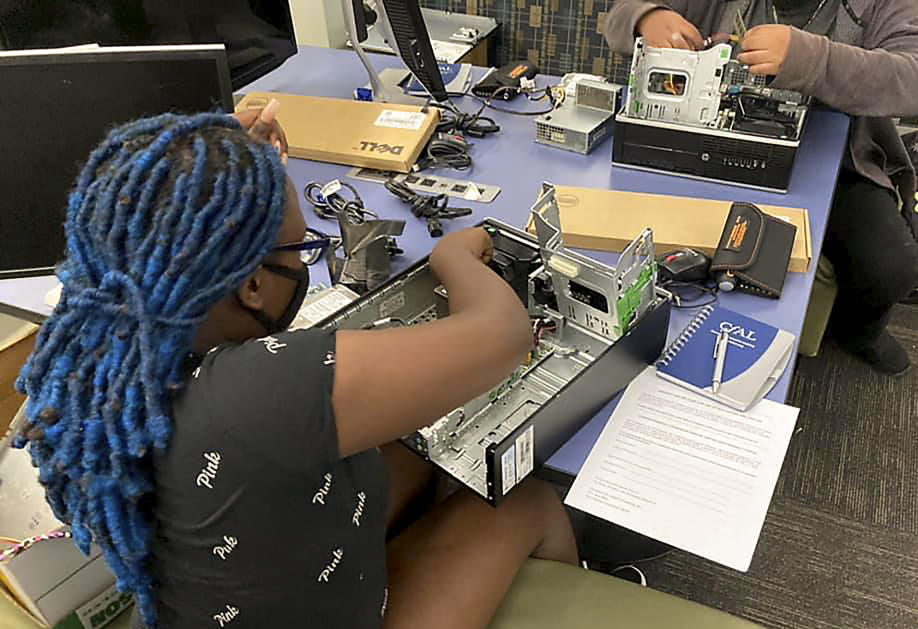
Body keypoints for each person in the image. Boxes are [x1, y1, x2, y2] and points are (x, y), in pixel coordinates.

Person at [14, 108, 578, 629]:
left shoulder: (97, 339)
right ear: (254, 287)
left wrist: (222, 154)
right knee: (530, 501)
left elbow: (164, 205)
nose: (303, 256)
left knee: (414, 465)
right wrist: (452, 257)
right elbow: (502, 339)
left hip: (225, 588)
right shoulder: (260, 386)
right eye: (300, 248)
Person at [605, 0, 918, 375]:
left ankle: (858, 333)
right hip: (706, 139)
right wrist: (646, 18)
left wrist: (810, 60)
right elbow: (619, 16)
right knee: (629, 241)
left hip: (830, 155)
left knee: (892, 268)